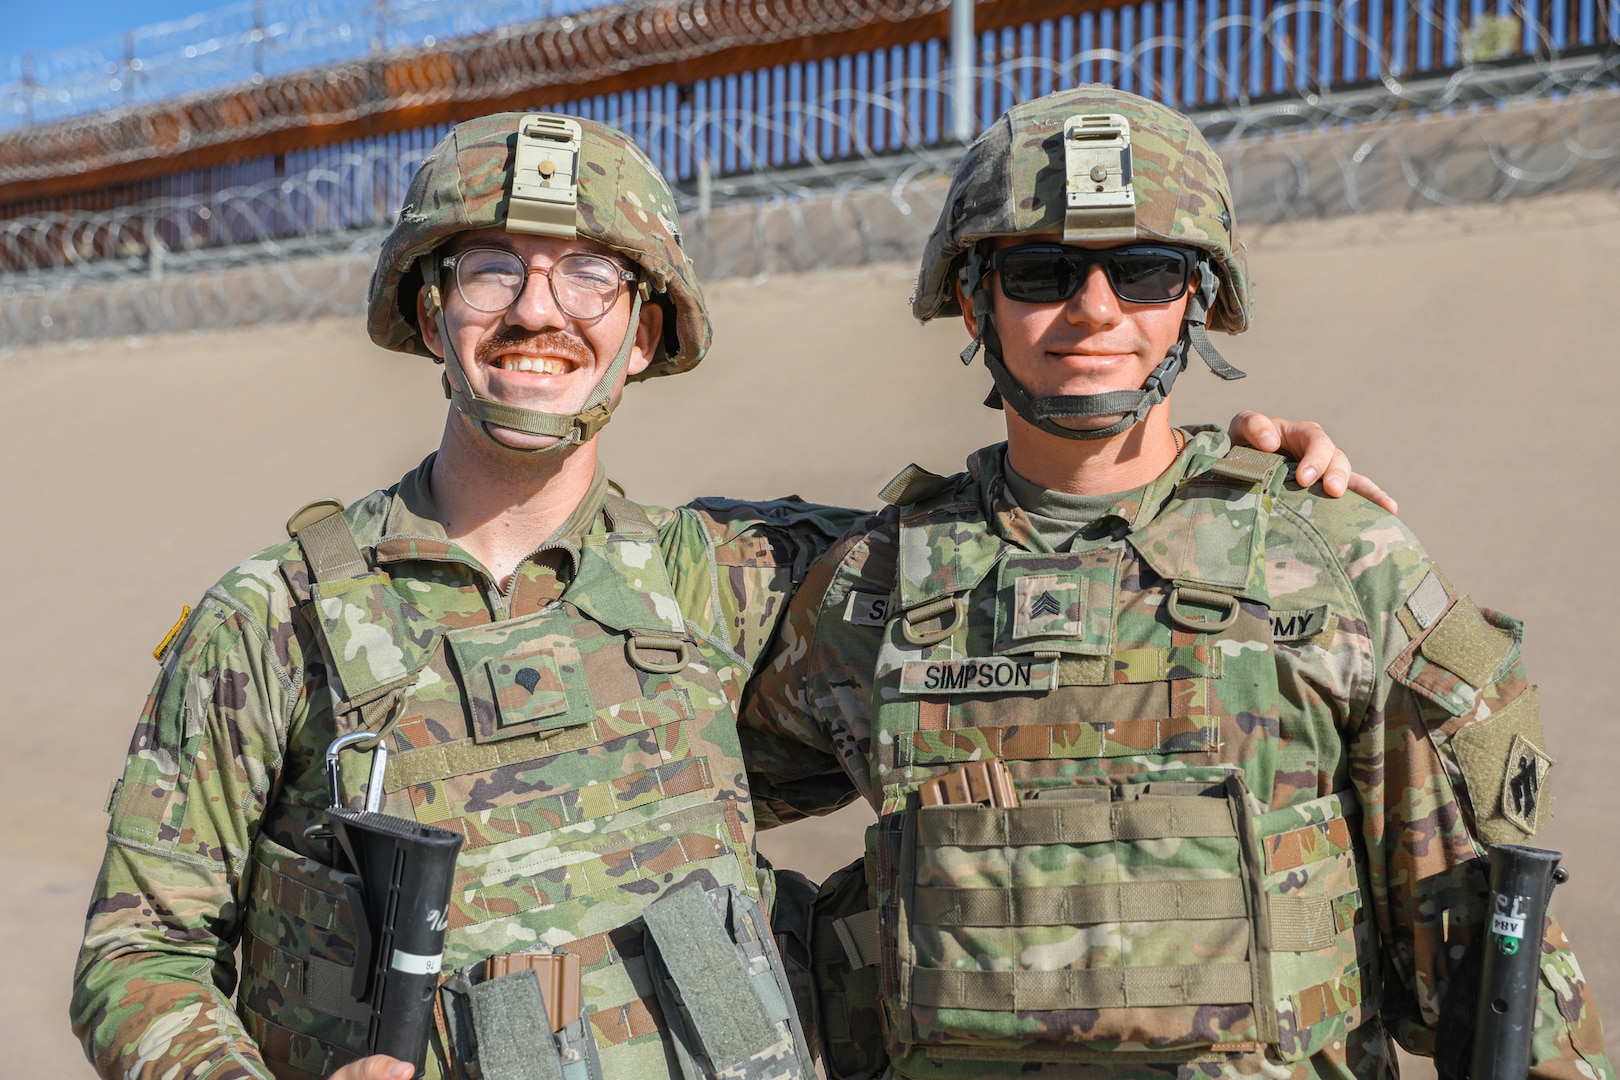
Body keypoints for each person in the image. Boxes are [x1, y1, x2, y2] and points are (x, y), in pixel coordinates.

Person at [70, 110, 1386, 1080]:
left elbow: (1035, 577)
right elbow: (138, 954)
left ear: (647, 330)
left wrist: (1219, 468)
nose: (542, 311)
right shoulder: (273, 622)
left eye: (592, 274)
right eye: (491, 268)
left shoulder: (750, 581)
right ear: (428, 311)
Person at [737, 86, 1610, 1080]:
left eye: (1146, 272)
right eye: (1041, 271)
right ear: (975, 297)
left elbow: (1488, 965)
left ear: (1195, 297)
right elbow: (648, 791)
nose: (1096, 310)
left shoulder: (1339, 560)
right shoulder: (871, 592)